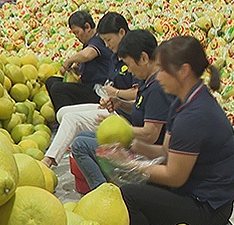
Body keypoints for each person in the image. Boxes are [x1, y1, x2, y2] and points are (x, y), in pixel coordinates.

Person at [119, 35, 234, 225]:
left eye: (163, 70)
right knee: (133, 184)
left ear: (183, 71)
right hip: (194, 189)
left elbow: (174, 176)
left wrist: (130, 165)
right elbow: (166, 152)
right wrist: (133, 146)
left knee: (128, 196)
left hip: (208, 206)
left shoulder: (193, 116)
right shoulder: (181, 101)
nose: (158, 77)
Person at [71, 29, 173, 189]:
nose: (129, 70)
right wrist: (121, 103)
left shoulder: (157, 88)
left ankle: (105, 192)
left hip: (147, 153)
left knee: (80, 144)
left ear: (144, 58)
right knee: (83, 136)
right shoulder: (146, 81)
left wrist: (119, 128)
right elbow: (145, 109)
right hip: (138, 144)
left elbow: (150, 134)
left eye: (128, 64)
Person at [41, 12, 138, 167]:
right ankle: (72, 140)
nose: (106, 45)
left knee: (72, 120)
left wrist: (116, 94)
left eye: (108, 40)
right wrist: (112, 99)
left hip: (121, 116)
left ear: (122, 33)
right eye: (104, 41)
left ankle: (48, 161)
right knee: (62, 113)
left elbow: (138, 94)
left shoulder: (134, 58)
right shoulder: (115, 56)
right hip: (113, 106)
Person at [45, 10, 113, 113]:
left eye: (77, 32)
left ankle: (68, 117)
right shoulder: (88, 43)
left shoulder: (98, 39)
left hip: (99, 90)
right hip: (87, 84)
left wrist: (69, 61)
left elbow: (87, 55)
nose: (76, 36)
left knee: (58, 89)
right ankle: (64, 115)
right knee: (51, 81)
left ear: (87, 27)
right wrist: (76, 70)